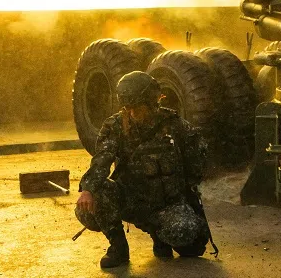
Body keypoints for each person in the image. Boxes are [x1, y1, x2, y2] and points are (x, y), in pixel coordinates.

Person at [74, 71, 211, 268]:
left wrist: (186, 196)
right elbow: (102, 160)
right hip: (130, 200)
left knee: (190, 241)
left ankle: (159, 235)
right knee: (90, 204)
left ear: (153, 103)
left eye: (136, 108)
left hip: (166, 204)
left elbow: (198, 159)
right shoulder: (116, 126)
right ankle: (118, 248)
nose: (131, 114)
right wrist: (87, 189)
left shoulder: (174, 125)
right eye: (127, 108)